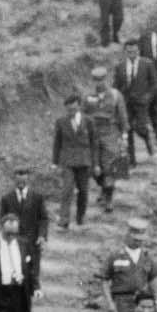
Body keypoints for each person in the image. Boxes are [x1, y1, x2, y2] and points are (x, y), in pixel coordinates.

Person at [51, 94, 100, 232]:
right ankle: (64, 220)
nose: (71, 112)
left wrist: (96, 164)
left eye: (73, 109)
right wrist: (54, 162)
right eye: (68, 110)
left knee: (83, 191)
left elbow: (94, 144)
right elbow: (57, 143)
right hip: (68, 162)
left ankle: (80, 217)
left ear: (79, 106)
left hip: (84, 162)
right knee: (67, 190)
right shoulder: (61, 122)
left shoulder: (88, 121)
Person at [83, 65, 128, 214]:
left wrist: (124, 135)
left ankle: (109, 198)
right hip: (93, 135)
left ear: (106, 79)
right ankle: (103, 188)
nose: (99, 82)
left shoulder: (115, 95)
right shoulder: (88, 96)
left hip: (111, 134)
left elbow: (122, 116)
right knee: (95, 168)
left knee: (109, 167)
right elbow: (82, 115)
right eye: (96, 80)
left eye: (101, 79)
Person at [113, 39, 157, 165]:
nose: (131, 53)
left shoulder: (147, 64)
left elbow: (154, 84)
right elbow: (115, 85)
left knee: (141, 127)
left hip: (141, 102)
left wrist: (147, 97)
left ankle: (149, 143)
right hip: (126, 103)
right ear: (125, 52)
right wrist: (116, 100)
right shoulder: (120, 66)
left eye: (134, 51)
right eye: (129, 51)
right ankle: (132, 160)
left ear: (138, 50)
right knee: (128, 129)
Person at [0, 165, 50, 253]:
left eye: (23, 181)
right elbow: (2, 219)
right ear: (14, 180)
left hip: (33, 242)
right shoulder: (6, 198)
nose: (21, 184)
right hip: (13, 243)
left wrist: (41, 236)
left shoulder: (37, 197)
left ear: (28, 179)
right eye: (18, 181)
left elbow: (43, 219)